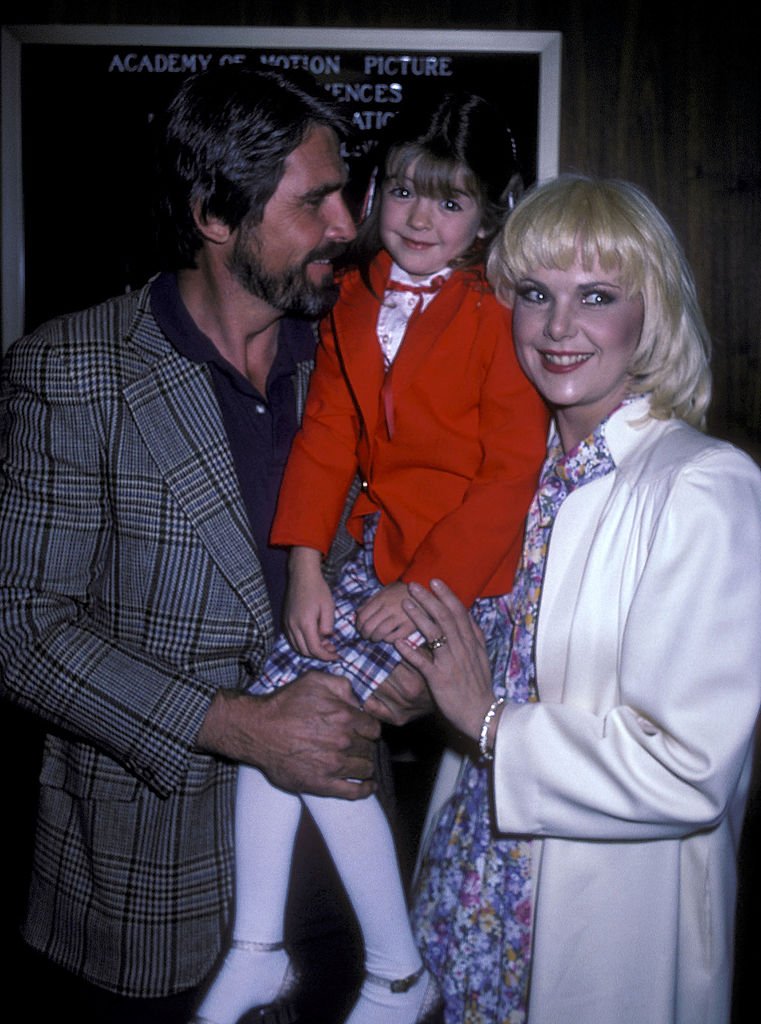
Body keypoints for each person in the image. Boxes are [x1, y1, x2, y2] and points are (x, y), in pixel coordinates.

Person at [0, 66, 382, 1024]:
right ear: (216, 213)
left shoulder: (351, 359)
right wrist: (242, 727)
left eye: (344, 192)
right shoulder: (73, 368)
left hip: (342, 878)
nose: (347, 224)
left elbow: (402, 547)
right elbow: (22, 629)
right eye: (314, 201)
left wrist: (405, 664)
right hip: (147, 890)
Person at [193, 93, 549, 1024]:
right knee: (284, 711)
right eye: (398, 191)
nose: (418, 219)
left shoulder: (497, 312)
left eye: (450, 201)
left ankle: (395, 970)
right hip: (368, 558)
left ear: (492, 212)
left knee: (329, 722)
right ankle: (259, 948)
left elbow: (508, 480)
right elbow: (328, 436)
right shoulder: (355, 293)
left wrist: (418, 592)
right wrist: (305, 563)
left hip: (459, 580)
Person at [387, 174, 761, 1024]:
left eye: (595, 296)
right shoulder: (521, 477)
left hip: (589, 931)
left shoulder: (702, 486)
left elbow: (687, 769)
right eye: (533, 294)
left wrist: (486, 722)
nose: (558, 328)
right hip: (461, 893)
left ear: (650, 313)